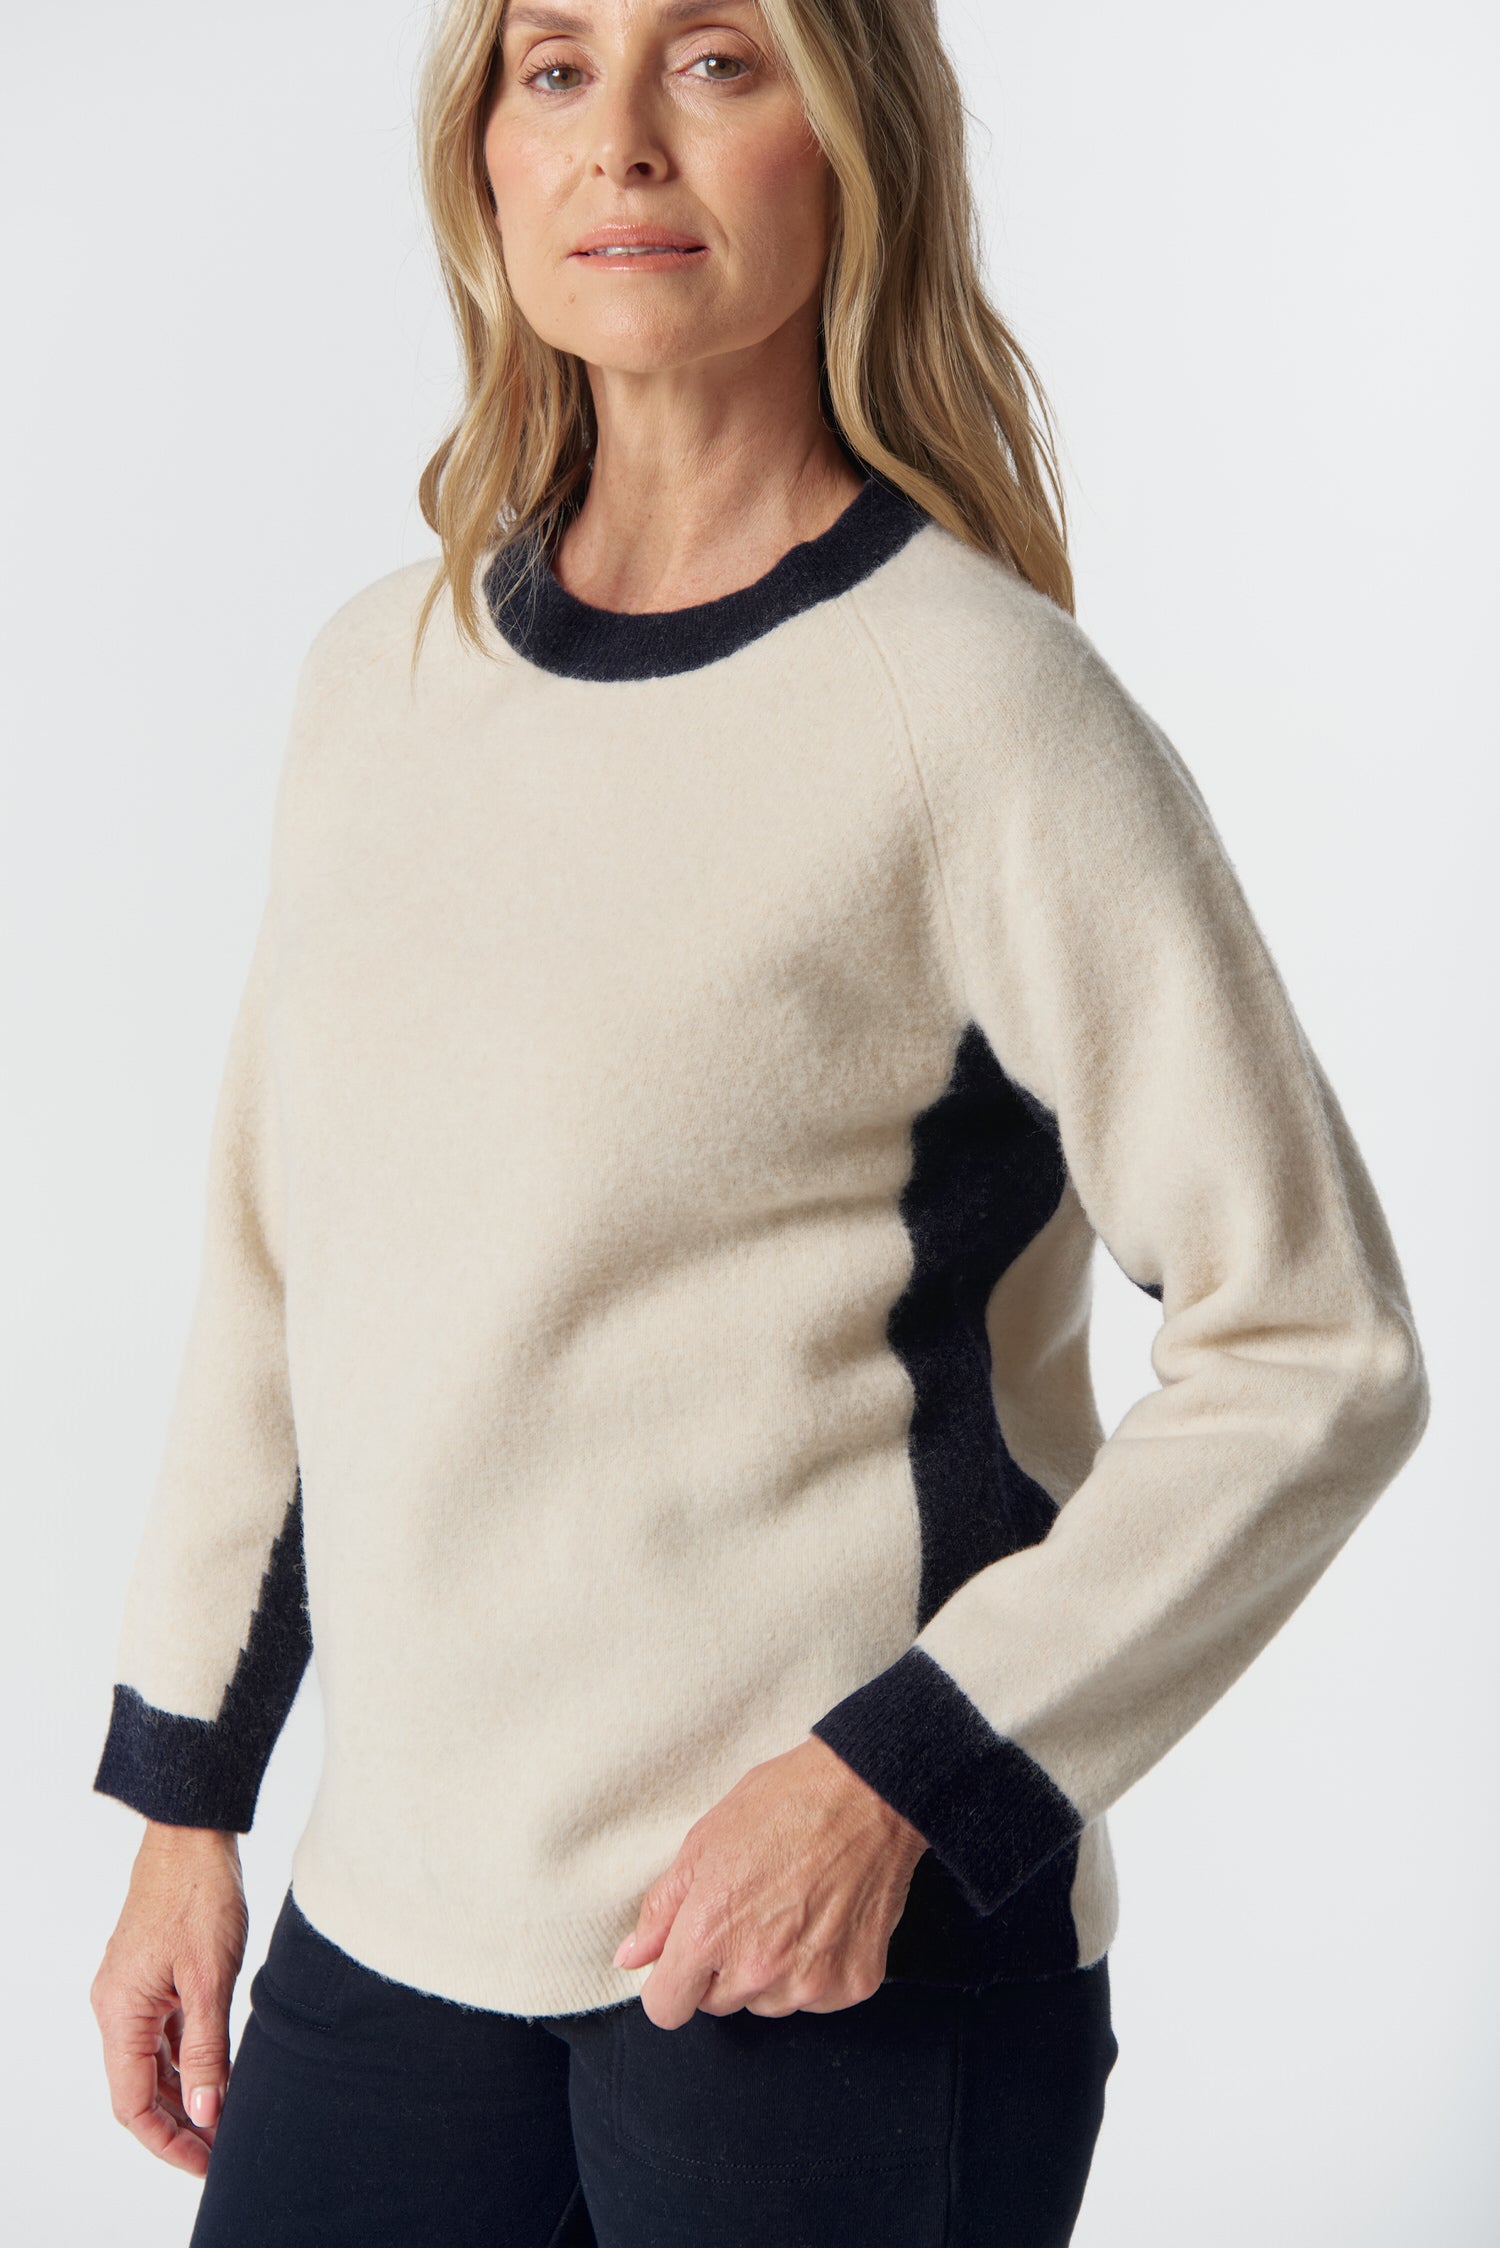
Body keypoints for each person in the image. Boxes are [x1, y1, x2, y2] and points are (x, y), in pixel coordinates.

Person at [86, 1, 1431, 2242]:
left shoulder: (979, 708)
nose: (620, 137)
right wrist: (184, 1803)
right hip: (401, 1919)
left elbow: (1316, 1347)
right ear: (485, 155)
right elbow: (279, 1275)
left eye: (715, 59)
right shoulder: (378, 678)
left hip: (827, 1962)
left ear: (853, 135)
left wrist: (896, 1786)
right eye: (552, 67)